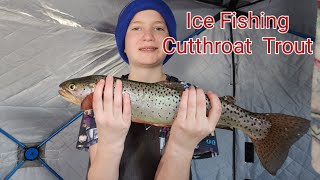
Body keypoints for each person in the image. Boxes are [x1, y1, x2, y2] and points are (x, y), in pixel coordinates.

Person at [75, 0, 222, 179]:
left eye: (159, 28)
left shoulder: (193, 98)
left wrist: (181, 148)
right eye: (136, 28)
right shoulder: (102, 96)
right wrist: (109, 144)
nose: (148, 36)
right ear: (123, 43)